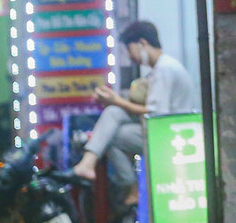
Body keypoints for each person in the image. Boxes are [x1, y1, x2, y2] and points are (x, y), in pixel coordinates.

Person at [73, 20, 197, 208]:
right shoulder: (161, 68)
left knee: (111, 136)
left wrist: (117, 100)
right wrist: (114, 103)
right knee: (113, 112)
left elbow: (155, 113)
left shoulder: (165, 69)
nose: (130, 57)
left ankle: (130, 186)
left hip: (168, 136)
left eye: (130, 50)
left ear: (142, 43)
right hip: (162, 130)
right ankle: (88, 162)